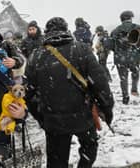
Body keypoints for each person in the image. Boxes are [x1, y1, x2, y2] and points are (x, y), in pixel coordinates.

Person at [25, 17, 114, 168]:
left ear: (46, 32)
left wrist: (42, 118)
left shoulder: (36, 56)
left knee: (57, 161)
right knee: (90, 149)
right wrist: (107, 109)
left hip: (54, 122)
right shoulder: (82, 49)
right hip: (83, 116)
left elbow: (30, 93)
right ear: (66, 30)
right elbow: (101, 83)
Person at [111, 10, 140, 104]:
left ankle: (125, 96)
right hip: (134, 57)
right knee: (135, 72)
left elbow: (111, 44)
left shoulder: (115, 30)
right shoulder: (137, 27)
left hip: (120, 58)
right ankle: (134, 89)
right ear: (130, 18)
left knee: (123, 78)